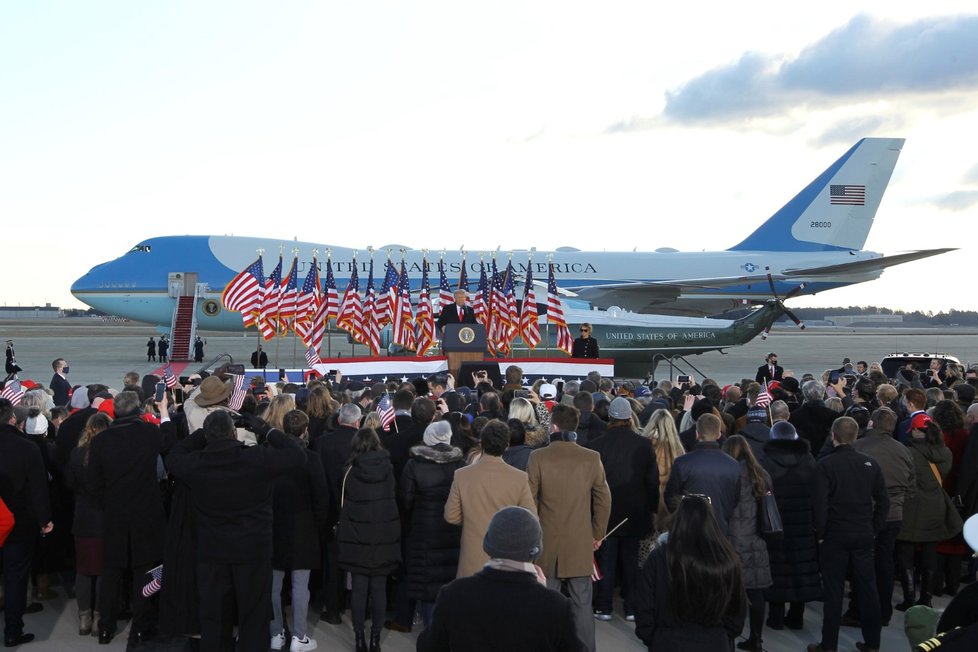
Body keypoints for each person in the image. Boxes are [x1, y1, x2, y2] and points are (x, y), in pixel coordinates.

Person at [167, 409, 305, 652]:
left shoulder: (197, 464)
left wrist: (203, 433)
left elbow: (174, 455)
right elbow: (297, 455)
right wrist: (265, 429)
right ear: (234, 433)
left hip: (212, 553)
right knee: (253, 617)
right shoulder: (255, 459)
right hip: (252, 551)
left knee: (213, 618)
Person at [417, 506, 585, 652]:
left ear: (488, 544)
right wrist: (542, 592)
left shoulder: (454, 594)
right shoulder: (556, 605)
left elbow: (428, 647)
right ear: (536, 549)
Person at [86, 390, 176, 646]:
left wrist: (110, 502)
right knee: (145, 572)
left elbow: (92, 485)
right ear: (138, 410)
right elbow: (170, 441)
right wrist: (165, 411)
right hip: (146, 515)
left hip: (114, 515)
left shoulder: (101, 441)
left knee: (112, 572)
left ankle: (105, 628)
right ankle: (142, 626)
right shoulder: (148, 433)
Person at [527, 403, 612, 652]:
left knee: (545, 602)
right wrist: (598, 534)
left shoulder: (537, 457)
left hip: (546, 543)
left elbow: (528, 500)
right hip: (580, 542)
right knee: (582, 605)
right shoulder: (591, 458)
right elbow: (604, 499)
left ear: (553, 426)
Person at [810, 416, 889, 652]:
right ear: (855, 437)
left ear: (833, 436)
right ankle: (873, 642)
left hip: (836, 534)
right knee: (867, 588)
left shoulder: (825, 465)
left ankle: (829, 644)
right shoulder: (870, 464)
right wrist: (874, 528)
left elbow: (820, 505)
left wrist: (821, 533)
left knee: (834, 591)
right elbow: (884, 501)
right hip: (863, 533)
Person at [634, 494, 747, 650]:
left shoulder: (659, 558)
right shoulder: (727, 560)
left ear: (677, 521)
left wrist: (654, 638)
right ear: (712, 523)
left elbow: (643, 607)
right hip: (715, 642)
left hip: (668, 642)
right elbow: (737, 613)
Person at [588, 397, 658, 622]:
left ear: (611, 417)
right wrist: (653, 508)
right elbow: (652, 481)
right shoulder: (644, 444)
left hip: (606, 514)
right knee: (631, 562)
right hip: (635, 513)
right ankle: (631, 607)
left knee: (607, 560)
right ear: (629, 417)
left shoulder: (598, 445)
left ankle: (604, 607)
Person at [335, 427, 401, 652]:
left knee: (360, 589)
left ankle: (359, 638)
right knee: (379, 589)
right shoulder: (388, 468)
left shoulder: (349, 470)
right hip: (384, 535)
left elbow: (341, 504)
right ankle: (375, 639)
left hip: (356, 536)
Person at [445, 420, 536, 577]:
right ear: (506, 445)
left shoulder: (462, 475)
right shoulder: (519, 478)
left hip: (472, 558)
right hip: (508, 559)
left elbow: (451, 516)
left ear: (482, 443)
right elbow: (531, 519)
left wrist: (472, 518)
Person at [269, 410, 329, 652]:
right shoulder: (311, 458)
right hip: (304, 529)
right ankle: (299, 637)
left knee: (274, 586)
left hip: (274, 527)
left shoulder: (271, 457)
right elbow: (321, 497)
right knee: (299, 586)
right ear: (305, 430)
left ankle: (275, 634)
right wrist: (319, 525)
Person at [850, 407, 915, 626]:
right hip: (893, 515)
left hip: (865, 515)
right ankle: (883, 611)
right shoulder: (903, 450)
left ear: (872, 423)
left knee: (862, 565)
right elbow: (911, 485)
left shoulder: (858, 447)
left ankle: (860, 610)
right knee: (885, 562)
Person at [399, 420, 465, 627]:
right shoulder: (460, 465)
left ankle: (431, 634)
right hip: (453, 529)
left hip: (423, 530)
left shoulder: (415, 464)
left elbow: (405, 500)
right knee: (448, 579)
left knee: (427, 584)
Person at [0, 398, 53, 647]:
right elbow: (38, 489)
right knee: (15, 578)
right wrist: (45, 519)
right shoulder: (27, 447)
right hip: (19, 525)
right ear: (12, 419)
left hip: (14, 522)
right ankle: (12, 630)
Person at [895, 413, 962, 610]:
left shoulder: (908, 452)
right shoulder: (945, 453)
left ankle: (908, 598)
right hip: (935, 506)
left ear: (916, 431)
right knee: (930, 552)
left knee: (905, 551)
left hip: (911, 506)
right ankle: (926, 597)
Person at [759, 420, 821, 631]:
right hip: (803, 524)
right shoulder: (809, 460)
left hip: (775, 523)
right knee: (800, 569)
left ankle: (776, 618)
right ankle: (796, 616)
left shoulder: (766, 460)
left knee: (777, 569)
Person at [721, 435, 773, 652]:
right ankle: (757, 639)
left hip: (732, 538)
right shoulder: (761, 475)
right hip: (756, 539)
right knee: (756, 593)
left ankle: (730, 637)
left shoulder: (727, 474)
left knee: (732, 593)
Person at [64, 412, 111, 636]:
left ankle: (85, 617)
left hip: (82, 518)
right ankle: (100, 616)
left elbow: (69, 483)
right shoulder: (110, 456)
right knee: (103, 570)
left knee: (83, 570)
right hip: (105, 519)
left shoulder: (76, 454)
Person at [664, 413, 741, 535]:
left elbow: (671, 498)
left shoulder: (682, 463)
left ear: (697, 434)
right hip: (720, 530)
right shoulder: (733, 465)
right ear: (718, 434)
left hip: (689, 528)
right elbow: (735, 500)